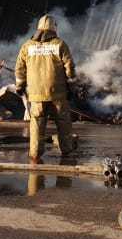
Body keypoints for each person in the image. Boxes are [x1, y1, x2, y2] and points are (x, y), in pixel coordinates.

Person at [14, 14, 77, 163]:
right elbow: (70, 68)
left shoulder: (27, 46)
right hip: (58, 94)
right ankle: (66, 151)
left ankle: (35, 154)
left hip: (36, 95)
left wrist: (20, 86)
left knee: (36, 125)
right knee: (63, 123)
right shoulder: (60, 44)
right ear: (54, 28)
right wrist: (71, 85)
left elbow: (19, 69)